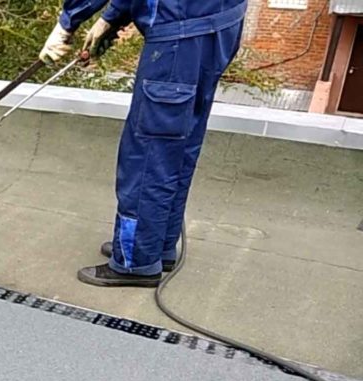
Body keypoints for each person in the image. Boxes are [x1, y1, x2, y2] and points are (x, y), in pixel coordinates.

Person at [40, 0, 247, 287]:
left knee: (150, 152)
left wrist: (67, 23)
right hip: (218, 24)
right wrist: (111, 18)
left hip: (180, 35)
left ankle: (135, 260)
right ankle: (158, 246)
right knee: (179, 142)